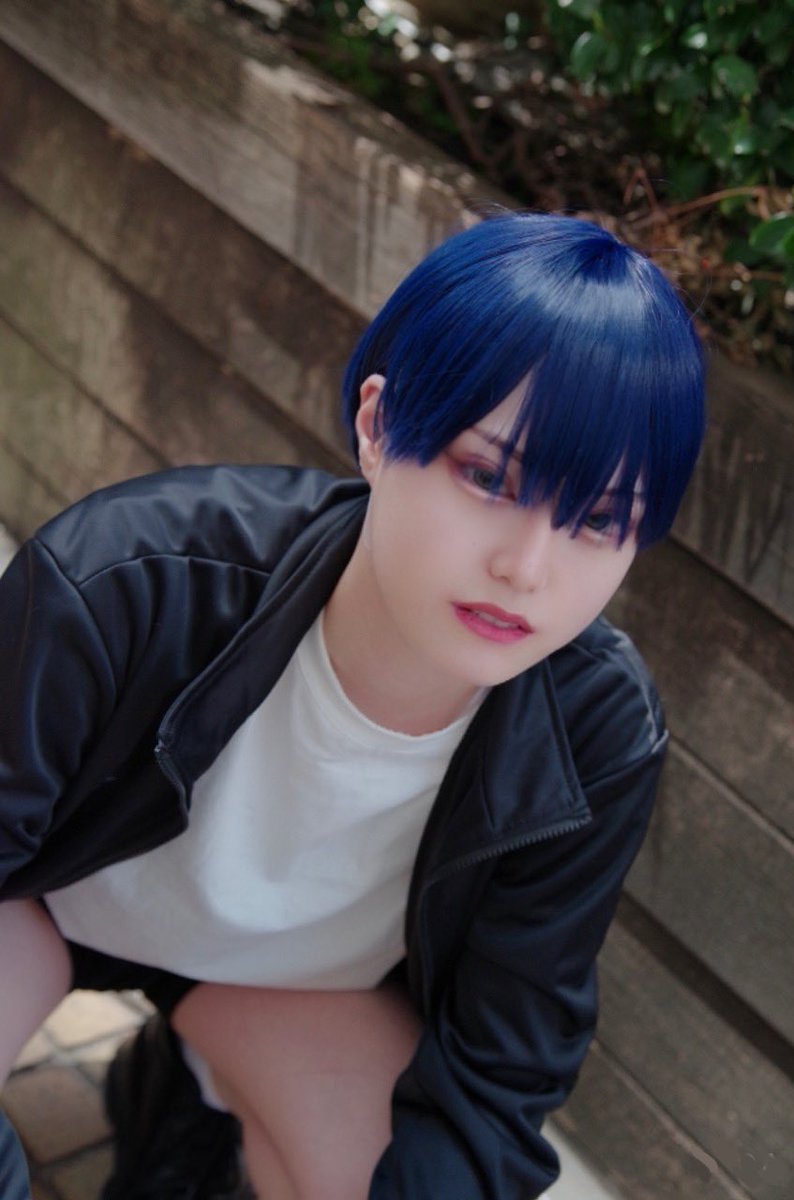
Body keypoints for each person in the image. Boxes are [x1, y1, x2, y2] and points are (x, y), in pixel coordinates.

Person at [0, 211, 705, 1199]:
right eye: (487, 477)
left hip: (279, 988)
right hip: (40, 906)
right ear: (377, 427)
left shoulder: (599, 731)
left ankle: (185, 1099)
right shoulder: (130, 580)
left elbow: (498, 1075)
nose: (525, 568)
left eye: (595, 520)